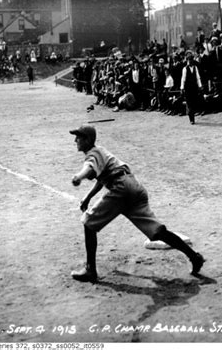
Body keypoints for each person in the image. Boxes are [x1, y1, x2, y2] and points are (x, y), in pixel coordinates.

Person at [69, 125, 205, 282]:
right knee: (156, 231)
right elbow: (101, 179)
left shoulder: (93, 153)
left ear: (87, 139)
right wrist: (87, 197)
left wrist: (79, 177)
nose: (75, 140)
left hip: (120, 188)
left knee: (88, 222)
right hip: (133, 186)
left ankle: (90, 270)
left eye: (78, 137)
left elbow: (88, 167)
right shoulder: (101, 151)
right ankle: (194, 257)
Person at [180, 53, 203, 125]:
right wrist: (182, 88)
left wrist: (200, 85)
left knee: (193, 102)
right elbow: (183, 79)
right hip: (188, 88)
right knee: (189, 103)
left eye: (191, 60)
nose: (190, 61)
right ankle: (191, 119)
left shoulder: (195, 68)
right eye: (189, 60)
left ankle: (192, 114)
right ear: (187, 61)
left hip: (194, 88)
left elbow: (198, 77)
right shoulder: (185, 69)